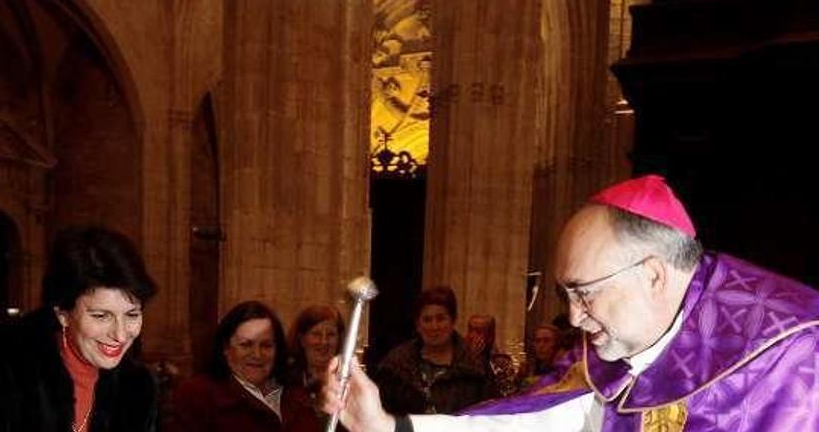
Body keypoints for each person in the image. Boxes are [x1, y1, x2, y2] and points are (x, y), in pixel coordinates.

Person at [321, 174, 819, 431]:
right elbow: (535, 424)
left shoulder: (794, 351)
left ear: (652, 273)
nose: (575, 317)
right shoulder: (613, 360)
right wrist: (389, 425)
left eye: (584, 291)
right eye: (568, 295)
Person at [0, 226, 159, 432]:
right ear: (62, 314)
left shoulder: (137, 387)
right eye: (101, 316)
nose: (120, 335)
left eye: (132, 314)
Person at [166, 300, 321, 432]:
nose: (257, 354)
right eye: (246, 345)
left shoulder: (295, 394)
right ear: (226, 349)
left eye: (266, 345)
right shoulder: (197, 395)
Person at [374, 286, 493, 415]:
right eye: (427, 320)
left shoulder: (475, 368)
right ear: (418, 325)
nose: (434, 326)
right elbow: (380, 414)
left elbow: (487, 418)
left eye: (440, 319)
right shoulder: (396, 366)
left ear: (453, 321)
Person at [288, 304, 345, 400]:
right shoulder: (284, 381)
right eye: (316, 334)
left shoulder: (347, 380)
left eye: (330, 334)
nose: (324, 341)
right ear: (302, 340)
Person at [464, 314, 517, 397]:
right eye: (470, 330)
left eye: (478, 331)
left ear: (490, 336)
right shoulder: (460, 357)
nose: (472, 336)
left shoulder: (501, 361)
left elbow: (508, 394)